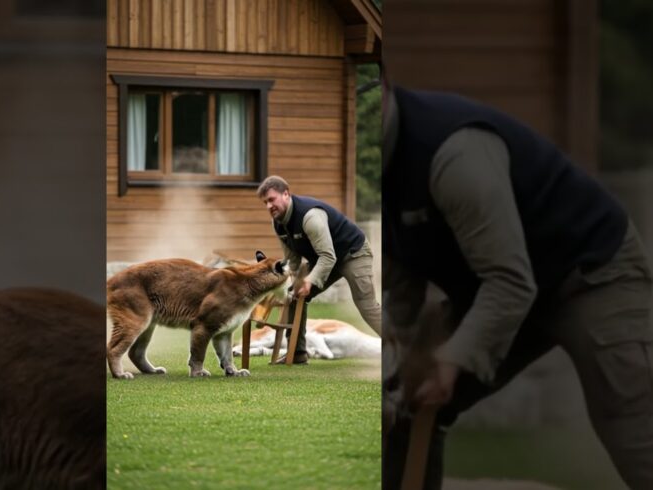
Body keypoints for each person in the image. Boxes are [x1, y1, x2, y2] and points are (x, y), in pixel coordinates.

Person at [380, 68, 653, 489]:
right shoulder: (376, 171)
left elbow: (511, 280)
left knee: (634, 425)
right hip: (498, 289)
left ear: (383, 90)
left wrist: (454, 358)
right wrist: (396, 360)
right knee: (408, 400)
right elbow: (404, 279)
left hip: (593, 272)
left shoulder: (454, 154)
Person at [256, 176, 381, 364]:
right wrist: (279, 282)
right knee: (293, 295)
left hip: (353, 253)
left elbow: (328, 256)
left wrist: (310, 280)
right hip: (324, 259)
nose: (269, 206)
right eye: (265, 202)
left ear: (286, 194)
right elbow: (293, 261)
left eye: (272, 199)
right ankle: (296, 354)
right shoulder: (278, 224)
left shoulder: (310, 216)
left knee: (366, 305)